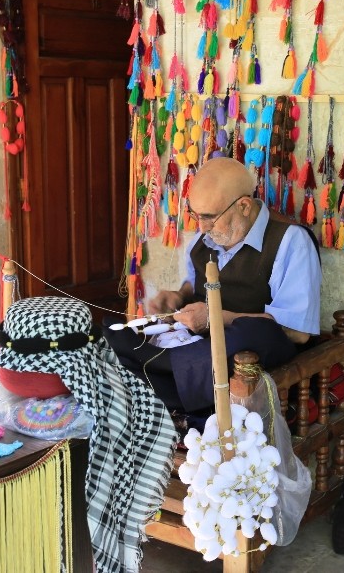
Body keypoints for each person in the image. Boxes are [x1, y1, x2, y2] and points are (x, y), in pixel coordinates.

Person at [106, 157, 322, 414]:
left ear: (243, 206)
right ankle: (161, 368)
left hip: (247, 352)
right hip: (203, 350)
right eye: (197, 216)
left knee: (256, 332)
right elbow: (194, 288)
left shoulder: (290, 241)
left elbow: (297, 332)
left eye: (209, 217)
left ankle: (159, 370)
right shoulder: (203, 239)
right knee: (120, 332)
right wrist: (178, 296)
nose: (202, 227)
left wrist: (216, 318)